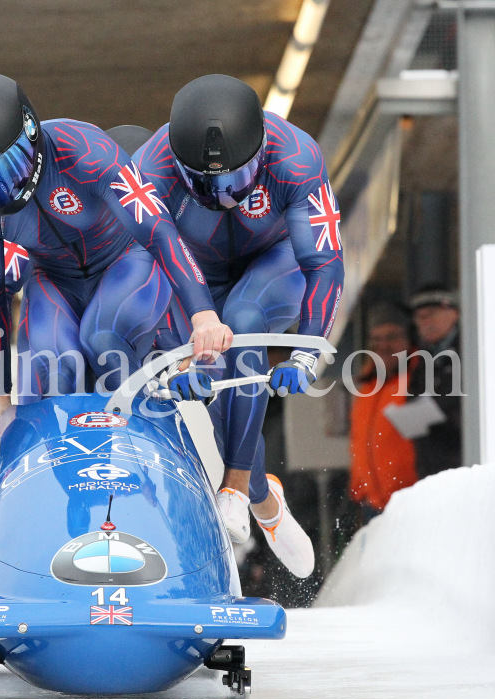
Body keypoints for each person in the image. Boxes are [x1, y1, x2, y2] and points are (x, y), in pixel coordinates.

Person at [0, 73, 235, 466]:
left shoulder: (86, 150)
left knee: (103, 338)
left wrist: (203, 314)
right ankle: (73, 480)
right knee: (55, 367)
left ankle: (137, 455)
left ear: (31, 134)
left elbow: (160, 233)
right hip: (53, 277)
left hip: (125, 263)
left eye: (5, 169)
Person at [134, 75, 345, 578]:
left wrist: (307, 352)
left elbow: (325, 263)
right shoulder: (151, 165)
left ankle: (232, 488)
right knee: (213, 399)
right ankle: (263, 498)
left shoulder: (296, 157)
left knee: (245, 322)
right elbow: (144, 261)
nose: (222, 195)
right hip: (193, 274)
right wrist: (181, 353)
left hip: (273, 264)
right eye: (206, 183)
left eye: (233, 180)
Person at [348, 302, 418, 519]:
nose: (383, 345)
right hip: (373, 505)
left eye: (392, 336)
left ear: (409, 339)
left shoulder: (420, 379)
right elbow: (359, 439)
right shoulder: (367, 386)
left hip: (412, 501)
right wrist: (359, 486)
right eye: (376, 339)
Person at [407, 285, 461, 479]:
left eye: (431, 314)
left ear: (454, 313)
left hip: (464, 469)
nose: (425, 322)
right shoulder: (422, 361)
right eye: (419, 317)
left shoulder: (474, 354)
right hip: (431, 473)